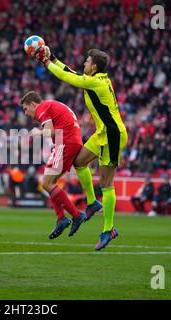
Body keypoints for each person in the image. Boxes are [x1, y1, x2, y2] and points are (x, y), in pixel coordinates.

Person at [34, 46, 128, 250]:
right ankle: (93, 202)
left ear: (94, 66)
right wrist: (53, 58)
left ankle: (108, 229)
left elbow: (68, 78)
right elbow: (73, 73)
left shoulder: (95, 82)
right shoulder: (98, 79)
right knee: (79, 161)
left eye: (87, 61)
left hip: (112, 135)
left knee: (107, 183)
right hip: (101, 133)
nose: (84, 63)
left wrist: (46, 62)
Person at [20, 91, 86, 240]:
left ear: (33, 104)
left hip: (65, 142)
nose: (26, 113)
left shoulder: (42, 107)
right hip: (71, 140)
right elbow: (59, 128)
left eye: (25, 109)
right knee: (49, 183)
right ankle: (62, 218)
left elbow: (49, 131)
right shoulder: (51, 105)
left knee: (47, 183)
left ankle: (74, 215)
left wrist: (38, 133)